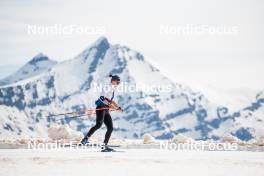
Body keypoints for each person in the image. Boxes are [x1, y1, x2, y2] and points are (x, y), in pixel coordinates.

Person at [81, 74, 123, 150]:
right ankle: (85, 139)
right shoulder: (107, 87)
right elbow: (102, 98)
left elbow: (111, 101)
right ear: (113, 81)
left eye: (118, 82)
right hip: (101, 108)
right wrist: (111, 106)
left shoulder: (112, 89)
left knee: (110, 128)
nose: (118, 84)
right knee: (98, 125)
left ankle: (104, 146)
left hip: (106, 110)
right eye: (117, 82)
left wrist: (118, 107)